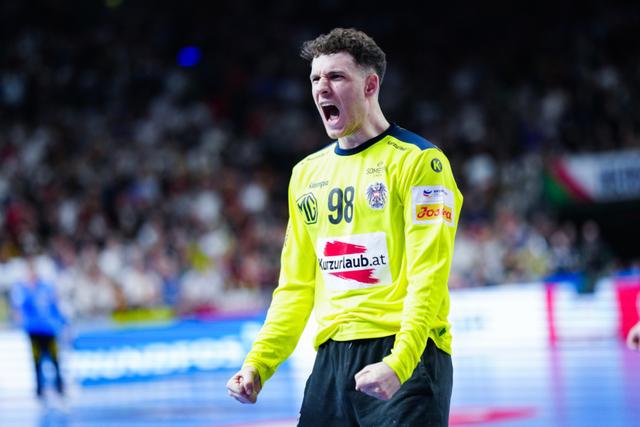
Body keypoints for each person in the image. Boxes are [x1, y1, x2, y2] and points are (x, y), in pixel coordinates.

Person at [226, 28, 463, 426]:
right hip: (332, 361)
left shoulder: (420, 162)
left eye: (336, 77)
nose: (322, 88)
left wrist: (400, 363)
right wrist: (258, 363)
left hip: (406, 352)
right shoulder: (306, 174)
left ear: (370, 85)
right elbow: (296, 286)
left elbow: (429, 275)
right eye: (316, 79)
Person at [10, 256, 67, 400]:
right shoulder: (23, 289)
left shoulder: (46, 287)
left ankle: (59, 385)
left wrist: (61, 322)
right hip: (34, 331)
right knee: (36, 360)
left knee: (54, 358)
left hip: (49, 329)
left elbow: (55, 305)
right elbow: (19, 309)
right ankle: (39, 389)